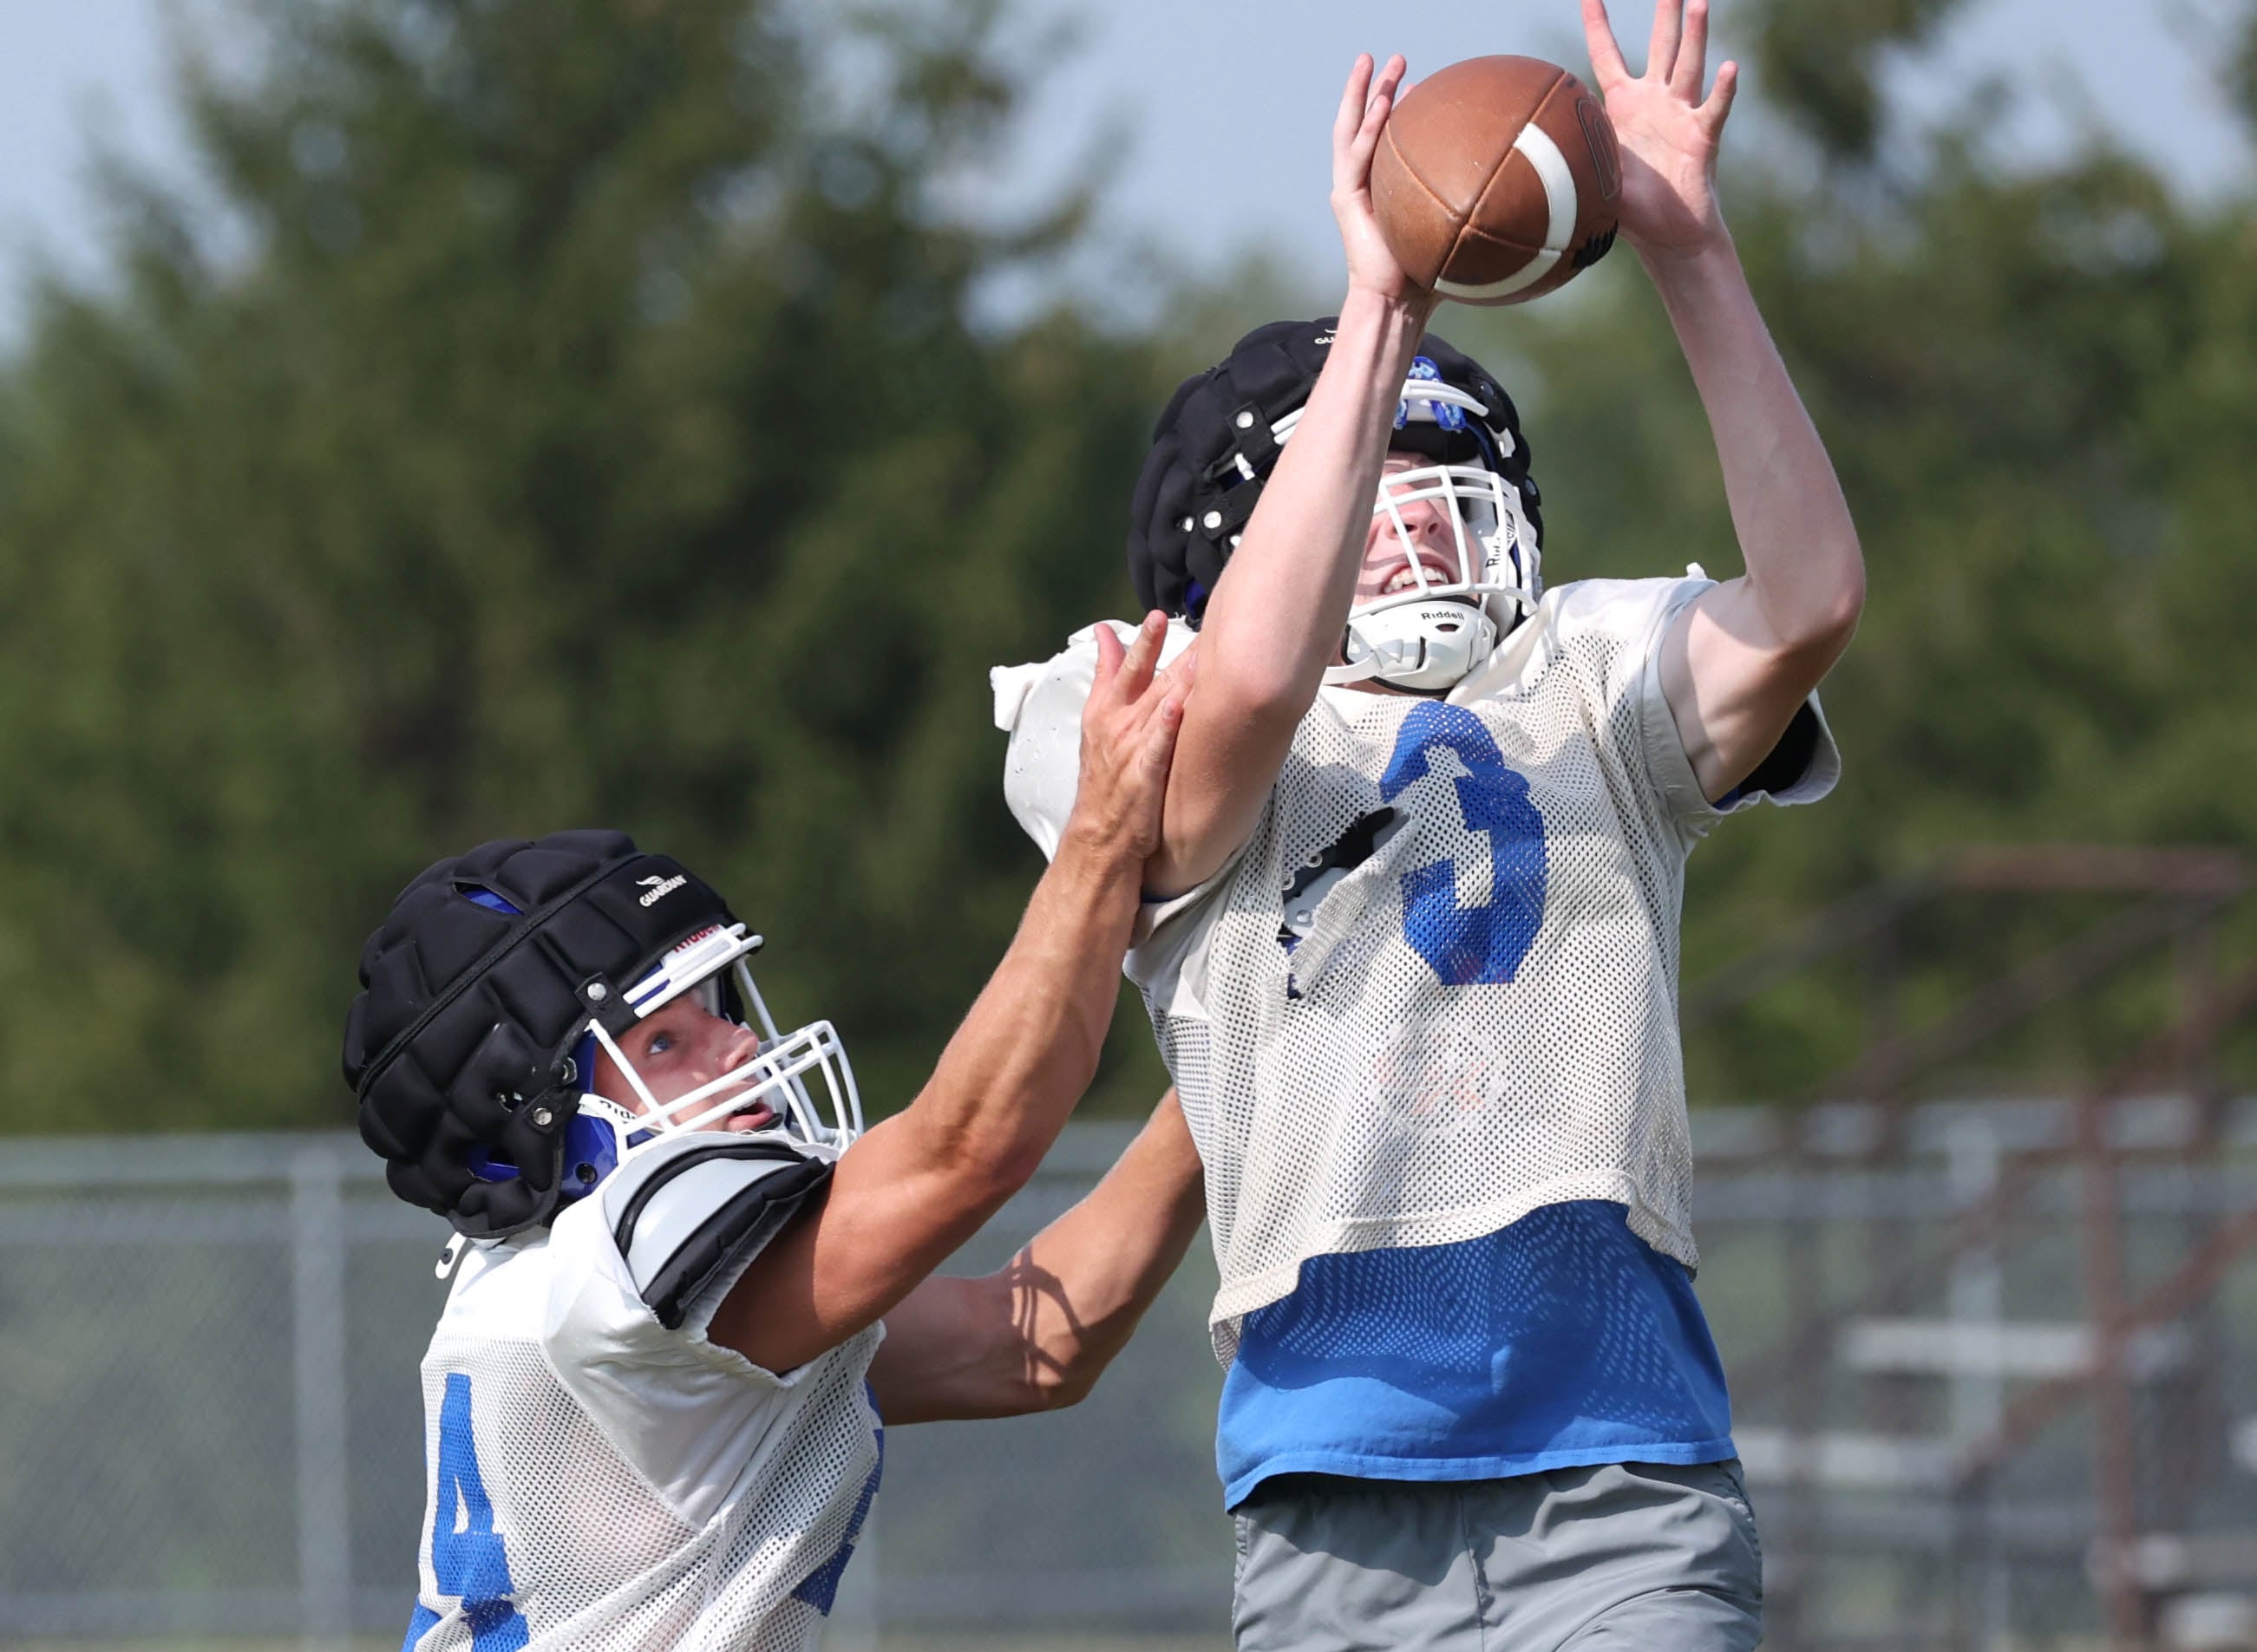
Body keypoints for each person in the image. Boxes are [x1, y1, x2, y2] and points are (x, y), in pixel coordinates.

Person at [991, 7, 1863, 1648]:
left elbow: (1806, 601)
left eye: (1440, 480)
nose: (1419, 538)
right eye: (1368, 483)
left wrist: (1687, 249)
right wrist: (1377, 308)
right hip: (1331, 1498)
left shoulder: (1580, 685)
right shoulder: (1116, 708)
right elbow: (1245, 702)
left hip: (1621, 1475)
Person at [344, 617, 1207, 1651]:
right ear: (542, 1128)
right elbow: (967, 1150)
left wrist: (1233, 1057)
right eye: (666, 1042)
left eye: (716, 1004)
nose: (739, 1046)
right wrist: (1102, 833)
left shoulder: (566, 1291)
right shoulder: (618, 1268)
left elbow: (1026, 1349)